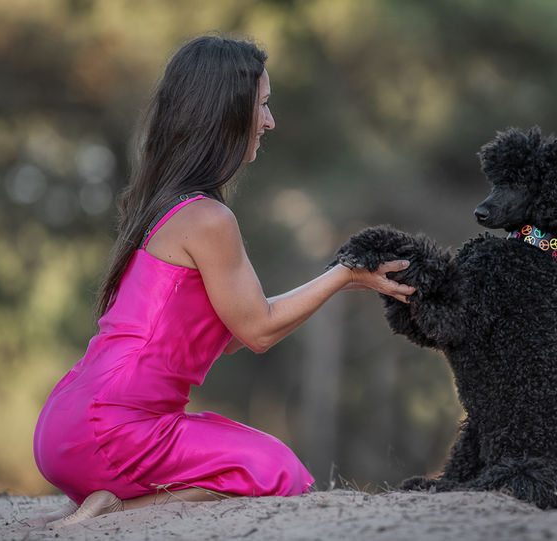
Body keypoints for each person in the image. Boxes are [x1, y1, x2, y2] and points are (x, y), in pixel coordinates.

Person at [32, 35, 414, 527]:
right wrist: (342, 274)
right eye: (263, 105)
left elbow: (234, 334)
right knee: (277, 471)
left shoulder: (165, 209)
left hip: (66, 427)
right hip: (115, 430)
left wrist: (345, 281)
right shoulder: (209, 219)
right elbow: (257, 332)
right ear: (226, 114)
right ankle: (119, 509)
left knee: (251, 459)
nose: (270, 121)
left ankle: (109, 498)